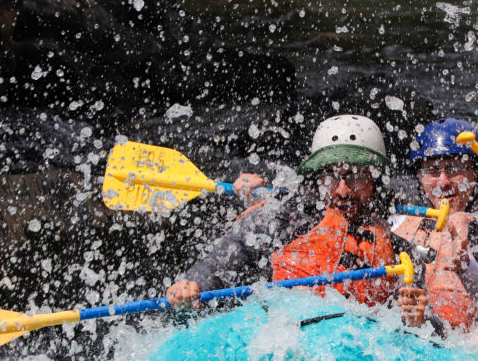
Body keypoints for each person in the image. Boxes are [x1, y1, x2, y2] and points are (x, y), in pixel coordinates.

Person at [166, 114, 421, 319]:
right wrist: (193, 285)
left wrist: (415, 318)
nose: (342, 190)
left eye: (356, 177)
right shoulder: (285, 218)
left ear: (376, 181)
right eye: (331, 176)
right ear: (317, 178)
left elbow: (425, 317)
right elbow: (226, 257)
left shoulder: (400, 236)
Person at [388, 119, 478, 331]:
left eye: (454, 168)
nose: (442, 182)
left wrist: (466, 266)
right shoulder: (400, 224)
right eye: (431, 171)